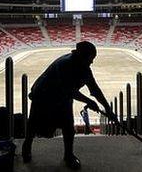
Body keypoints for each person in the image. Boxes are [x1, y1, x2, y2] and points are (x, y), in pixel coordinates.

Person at [22, 41, 115, 169]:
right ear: (81, 56)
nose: (92, 62)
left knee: (68, 127)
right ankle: (26, 147)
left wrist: (108, 109)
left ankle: (68, 155)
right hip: (42, 95)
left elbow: (95, 90)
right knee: (33, 123)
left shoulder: (84, 68)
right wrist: (89, 101)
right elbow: (70, 91)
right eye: (90, 59)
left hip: (62, 98)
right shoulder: (65, 64)